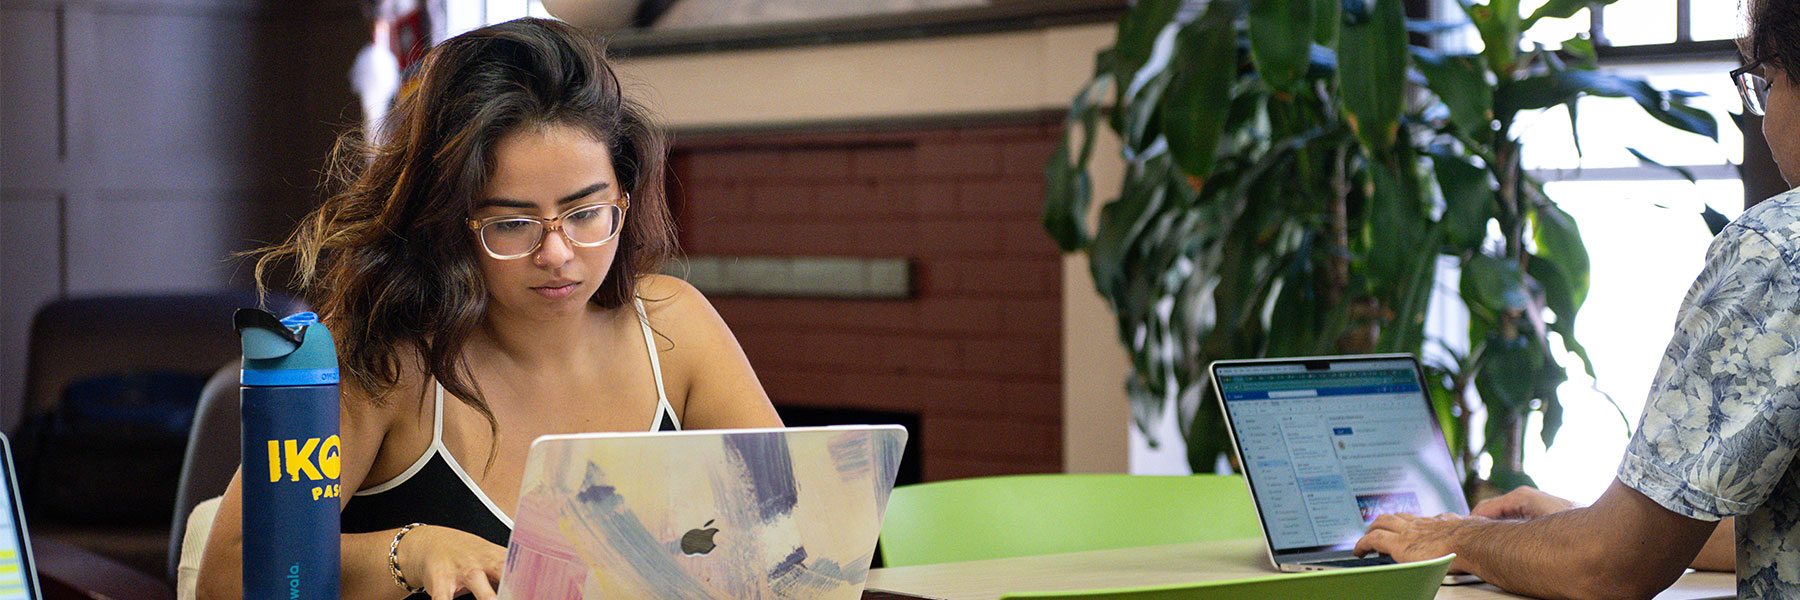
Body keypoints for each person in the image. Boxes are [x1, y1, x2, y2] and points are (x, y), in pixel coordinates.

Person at [195, 18, 783, 600]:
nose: (557, 253)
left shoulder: (673, 326)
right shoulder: (388, 354)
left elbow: (794, 527)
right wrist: (411, 551)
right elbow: (227, 576)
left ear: (622, 200)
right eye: (512, 224)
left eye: (585, 214)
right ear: (450, 222)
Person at [1353, 1, 1800, 597]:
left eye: (1766, 85)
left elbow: (1609, 567)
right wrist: (1578, 521)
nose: (1766, 118)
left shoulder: (1778, 248)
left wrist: (1456, 537)